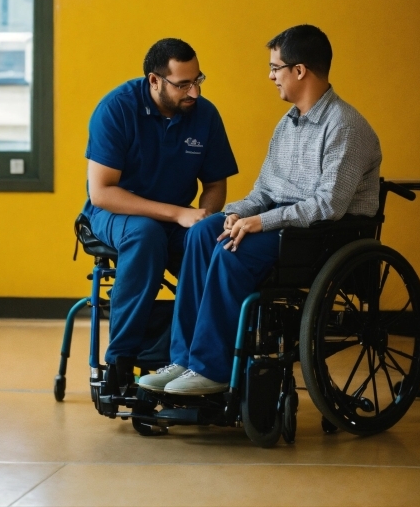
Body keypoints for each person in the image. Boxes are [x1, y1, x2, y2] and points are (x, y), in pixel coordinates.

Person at [139, 24, 382, 396]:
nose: (270, 76)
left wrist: (259, 222)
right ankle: (184, 358)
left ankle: (212, 369)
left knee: (232, 248)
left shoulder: (345, 127)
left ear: (299, 71)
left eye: (275, 67)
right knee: (204, 232)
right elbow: (266, 190)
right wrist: (235, 213)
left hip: (321, 233)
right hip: (285, 226)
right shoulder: (288, 124)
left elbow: (327, 205)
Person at [83, 37, 238, 390]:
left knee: (215, 242)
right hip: (116, 213)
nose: (194, 92)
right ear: (154, 81)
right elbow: (102, 191)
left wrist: (203, 217)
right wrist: (177, 214)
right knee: (146, 234)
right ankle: (121, 359)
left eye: (198, 80)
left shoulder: (205, 115)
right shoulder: (116, 109)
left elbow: (215, 184)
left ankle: (203, 363)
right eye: (183, 84)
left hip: (178, 220)